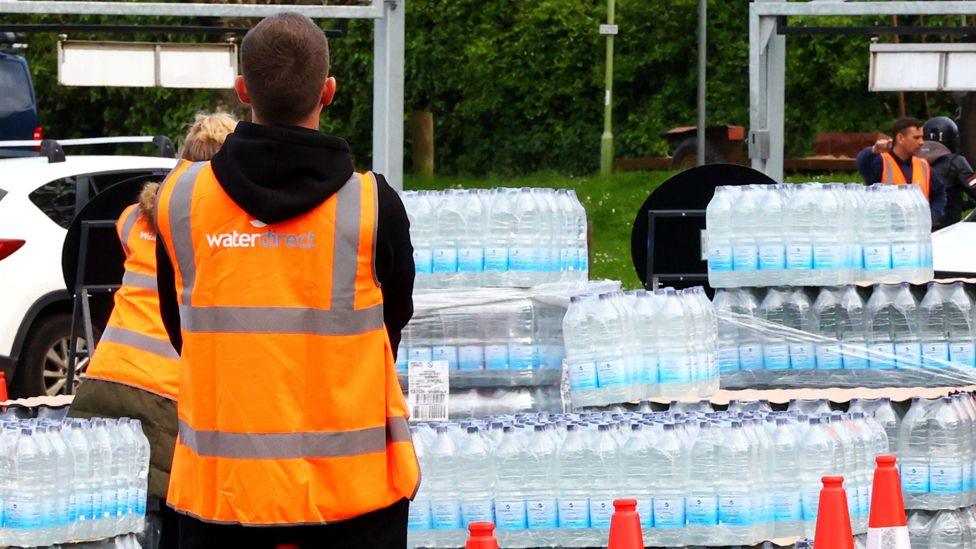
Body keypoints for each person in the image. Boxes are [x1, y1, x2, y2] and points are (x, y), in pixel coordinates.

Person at [153, 13, 418, 549]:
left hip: (219, 502)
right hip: (353, 504)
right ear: (329, 91)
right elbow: (392, 324)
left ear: (242, 89)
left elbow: (181, 327)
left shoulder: (181, 201)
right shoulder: (372, 206)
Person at [69, 111, 237, 547]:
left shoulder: (134, 218)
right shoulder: (217, 230)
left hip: (102, 380)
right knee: (149, 524)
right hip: (164, 395)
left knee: (97, 517)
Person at [856, 116, 948, 225]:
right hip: (888, 232)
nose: (921, 142)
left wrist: (932, 216)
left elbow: (939, 193)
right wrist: (874, 150)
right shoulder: (881, 162)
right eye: (916, 138)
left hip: (918, 232)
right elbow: (862, 163)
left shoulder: (923, 165)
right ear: (900, 138)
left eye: (922, 137)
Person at [919, 115, 976, 227]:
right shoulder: (955, 161)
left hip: (919, 229)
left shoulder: (912, 161)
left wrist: (965, 204)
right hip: (947, 231)